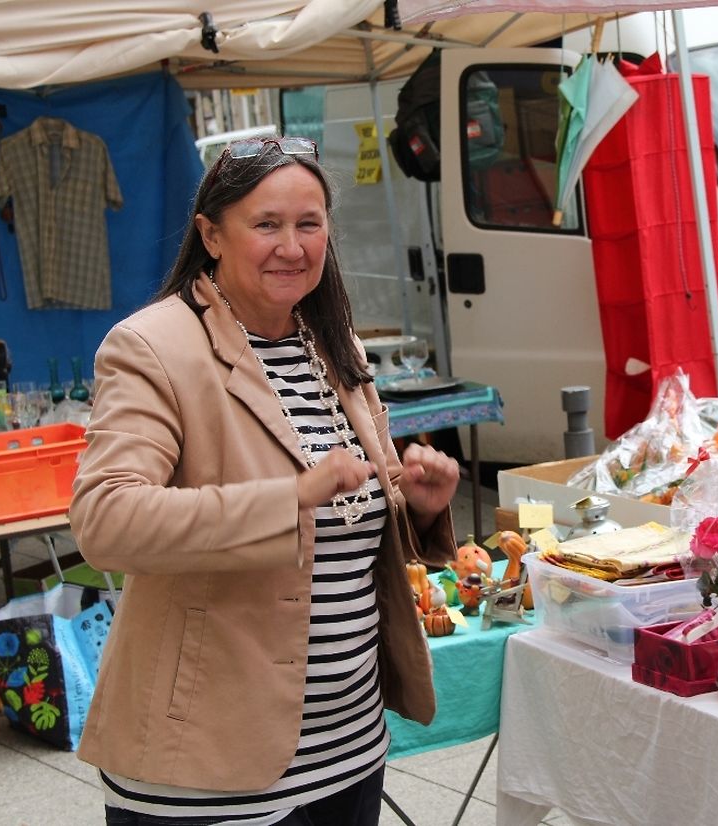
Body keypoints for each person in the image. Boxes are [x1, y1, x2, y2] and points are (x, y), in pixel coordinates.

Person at [69, 135, 460, 826]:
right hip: (211, 767)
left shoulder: (333, 344)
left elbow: (351, 526)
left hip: (349, 749)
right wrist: (290, 497)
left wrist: (418, 506)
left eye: (309, 224)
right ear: (211, 234)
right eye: (267, 224)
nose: (292, 246)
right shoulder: (153, 347)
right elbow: (107, 522)